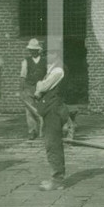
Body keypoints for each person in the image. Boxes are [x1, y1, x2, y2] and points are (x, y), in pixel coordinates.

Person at [34, 49, 68, 191]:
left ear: (57, 55)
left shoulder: (58, 70)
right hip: (50, 109)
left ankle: (57, 180)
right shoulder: (51, 69)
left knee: (53, 144)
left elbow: (43, 86)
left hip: (54, 109)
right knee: (50, 143)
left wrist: (39, 86)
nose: (48, 56)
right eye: (46, 53)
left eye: (51, 53)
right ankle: (56, 177)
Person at [20, 38, 46, 140]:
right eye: (31, 50)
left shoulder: (44, 61)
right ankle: (32, 131)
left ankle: (44, 130)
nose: (32, 52)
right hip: (29, 87)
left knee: (43, 107)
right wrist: (22, 90)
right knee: (29, 109)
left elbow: (48, 74)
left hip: (42, 87)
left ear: (38, 50)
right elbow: (23, 76)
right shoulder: (26, 61)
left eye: (34, 50)